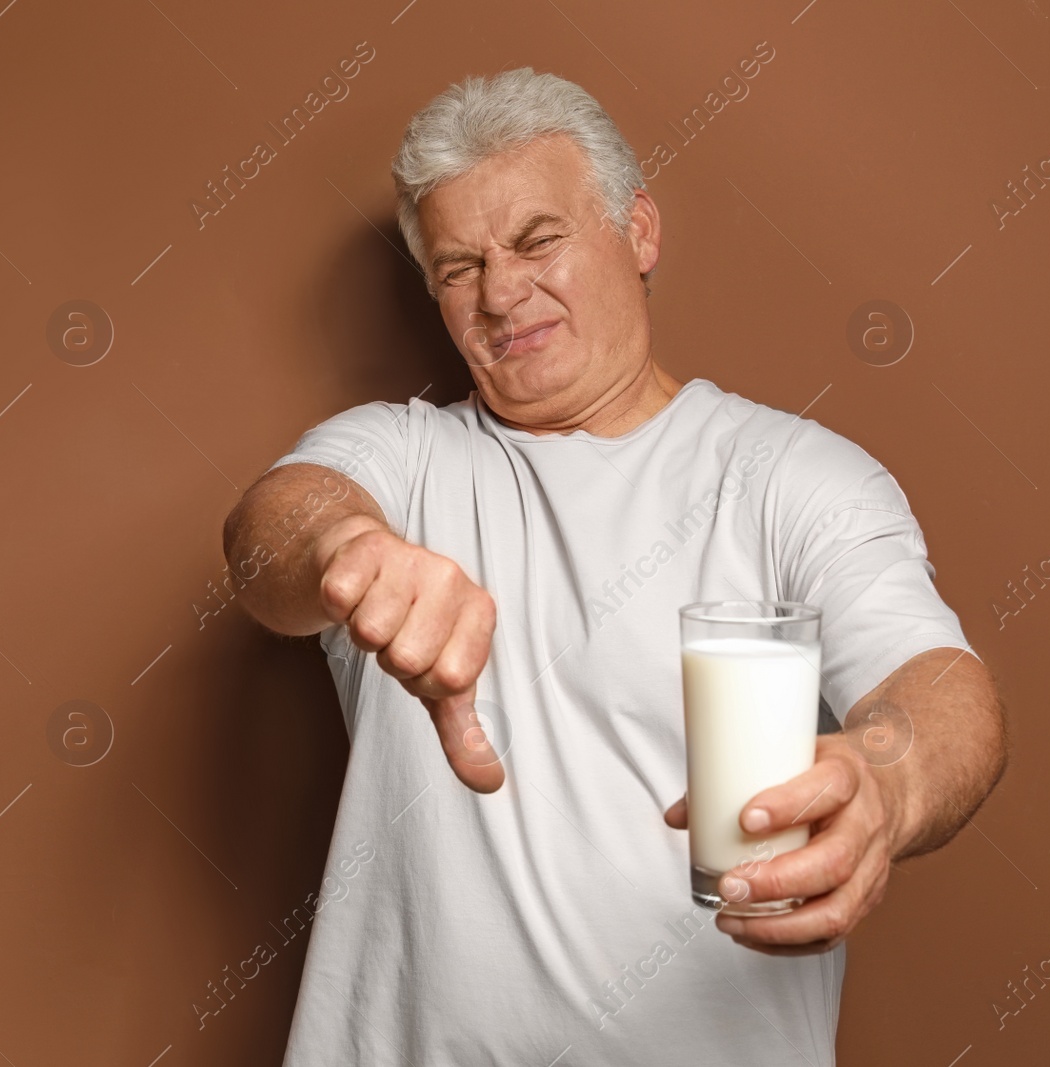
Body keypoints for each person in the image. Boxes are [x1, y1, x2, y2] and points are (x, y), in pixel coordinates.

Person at [221, 67, 1008, 1065]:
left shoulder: (789, 476)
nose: (501, 292)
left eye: (537, 239)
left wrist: (885, 783)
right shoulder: (404, 459)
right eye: (459, 267)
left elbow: (940, 686)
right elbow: (269, 530)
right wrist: (347, 548)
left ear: (637, 231)